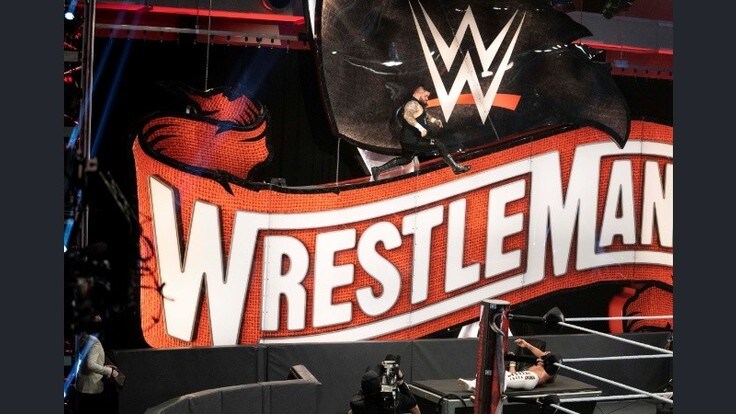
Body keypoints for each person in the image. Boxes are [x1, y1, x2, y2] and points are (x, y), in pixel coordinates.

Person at [371, 85, 470, 180]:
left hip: (407, 139)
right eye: (426, 96)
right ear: (420, 93)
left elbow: (424, 114)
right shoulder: (412, 104)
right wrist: (420, 128)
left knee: (406, 159)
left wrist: (434, 120)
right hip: (411, 140)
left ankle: (378, 169)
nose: (427, 99)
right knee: (438, 144)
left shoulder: (417, 104)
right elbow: (407, 116)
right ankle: (455, 168)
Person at [457, 338, 558, 392]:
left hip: (532, 378)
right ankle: (473, 385)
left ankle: (491, 391)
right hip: (523, 377)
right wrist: (512, 363)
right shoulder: (535, 365)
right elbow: (513, 374)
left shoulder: (549, 370)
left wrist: (527, 345)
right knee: (494, 373)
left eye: (546, 354)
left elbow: (547, 357)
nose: (545, 353)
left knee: (504, 380)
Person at [74, 315, 122, 414]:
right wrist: (109, 371)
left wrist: (103, 366)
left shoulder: (83, 338)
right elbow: (90, 365)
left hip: (81, 385)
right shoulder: (94, 342)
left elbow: (84, 360)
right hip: (92, 388)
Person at [348, 354, 421, 414]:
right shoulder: (395, 401)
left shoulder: (356, 404)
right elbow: (413, 403)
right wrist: (401, 383)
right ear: (379, 386)